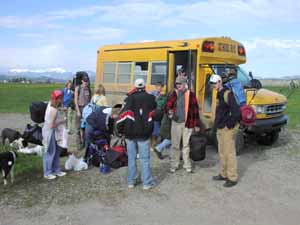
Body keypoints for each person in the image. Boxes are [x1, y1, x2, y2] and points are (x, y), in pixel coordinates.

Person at [116, 78, 156, 190]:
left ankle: (131, 182)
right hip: (144, 134)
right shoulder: (151, 98)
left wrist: (120, 131)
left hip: (130, 134)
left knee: (131, 158)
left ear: (135, 87)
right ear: (144, 87)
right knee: (145, 159)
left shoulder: (129, 99)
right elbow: (156, 115)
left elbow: (122, 117)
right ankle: (146, 183)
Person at [209, 74, 240, 188]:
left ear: (220, 82)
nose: (213, 86)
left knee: (229, 153)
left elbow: (237, 113)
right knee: (222, 152)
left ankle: (232, 178)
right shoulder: (218, 93)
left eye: (215, 83)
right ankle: (223, 174)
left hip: (227, 129)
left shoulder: (228, 94)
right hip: (220, 128)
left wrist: (229, 125)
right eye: (212, 84)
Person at [165, 76, 200, 173]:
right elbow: (167, 106)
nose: (178, 85)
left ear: (185, 84)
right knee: (175, 145)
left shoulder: (191, 95)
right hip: (175, 123)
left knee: (186, 145)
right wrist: (169, 112)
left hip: (187, 123)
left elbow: (196, 110)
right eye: (177, 84)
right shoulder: (174, 94)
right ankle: (174, 165)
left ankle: (187, 165)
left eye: (180, 83)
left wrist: (196, 125)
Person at [42, 90, 67, 180]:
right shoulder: (53, 110)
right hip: (50, 131)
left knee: (56, 151)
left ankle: (56, 170)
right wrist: (62, 120)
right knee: (50, 152)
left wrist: (62, 109)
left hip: (54, 131)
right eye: (60, 98)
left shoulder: (50, 104)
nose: (62, 100)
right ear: (57, 99)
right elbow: (52, 124)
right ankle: (47, 172)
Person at [74, 75, 91, 150]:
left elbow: (90, 100)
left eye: (87, 81)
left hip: (86, 110)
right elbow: (75, 100)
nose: (85, 82)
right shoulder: (78, 88)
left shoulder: (88, 89)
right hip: (80, 108)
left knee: (85, 128)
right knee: (78, 128)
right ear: (82, 81)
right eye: (84, 81)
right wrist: (77, 111)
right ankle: (79, 144)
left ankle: (84, 143)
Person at [149, 82, 165, 146]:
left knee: (157, 129)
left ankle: (155, 144)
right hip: (153, 114)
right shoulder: (151, 94)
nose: (160, 88)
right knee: (154, 130)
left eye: (161, 87)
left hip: (159, 114)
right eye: (158, 86)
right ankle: (152, 144)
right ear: (156, 87)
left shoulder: (162, 94)